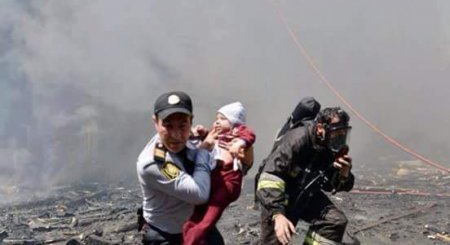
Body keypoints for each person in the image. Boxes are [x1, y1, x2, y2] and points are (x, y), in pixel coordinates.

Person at [255, 107, 355, 245]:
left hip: (305, 193)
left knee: (335, 221)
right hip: (280, 195)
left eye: (344, 133)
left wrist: (344, 174)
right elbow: (270, 175)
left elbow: (331, 185)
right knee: (275, 241)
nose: (340, 138)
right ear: (320, 128)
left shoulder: (329, 147)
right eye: (337, 133)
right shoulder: (298, 139)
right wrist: (277, 213)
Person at [136, 91, 218, 245]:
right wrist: (204, 150)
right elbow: (198, 194)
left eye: (182, 125)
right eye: (167, 126)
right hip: (169, 236)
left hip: (197, 225)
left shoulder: (192, 140)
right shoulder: (153, 163)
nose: (176, 135)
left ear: (191, 121)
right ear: (156, 122)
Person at [183, 102, 256, 245]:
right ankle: (190, 231)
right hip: (214, 178)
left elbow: (250, 136)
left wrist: (240, 144)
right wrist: (203, 133)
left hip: (228, 180)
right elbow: (208, 141)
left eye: (222, 119)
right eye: (217, 118)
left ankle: (194, 236)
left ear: (234, 121)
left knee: (210, 216)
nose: (217, 122)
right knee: (199, 212)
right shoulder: (217, 134)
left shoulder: (237, 132)